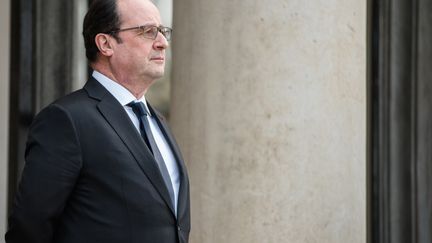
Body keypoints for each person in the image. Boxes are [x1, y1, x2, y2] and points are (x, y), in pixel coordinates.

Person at [5, 0, 190, 242]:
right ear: (105, 43)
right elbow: (28, 231)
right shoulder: (66, 120)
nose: (162, 42)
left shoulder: (158, 122)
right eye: (147, 31)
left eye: (163, 31)